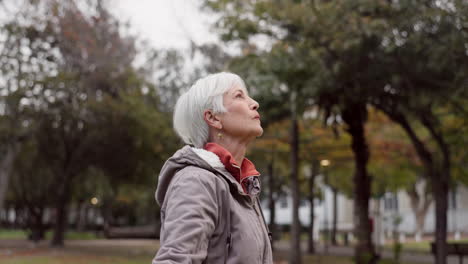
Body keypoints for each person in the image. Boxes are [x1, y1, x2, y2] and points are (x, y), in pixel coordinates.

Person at [152, 72, 273, 264]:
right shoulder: (196, 181)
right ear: (213, 118)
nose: (254, 103)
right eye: (239, 96)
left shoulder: (244, 185)